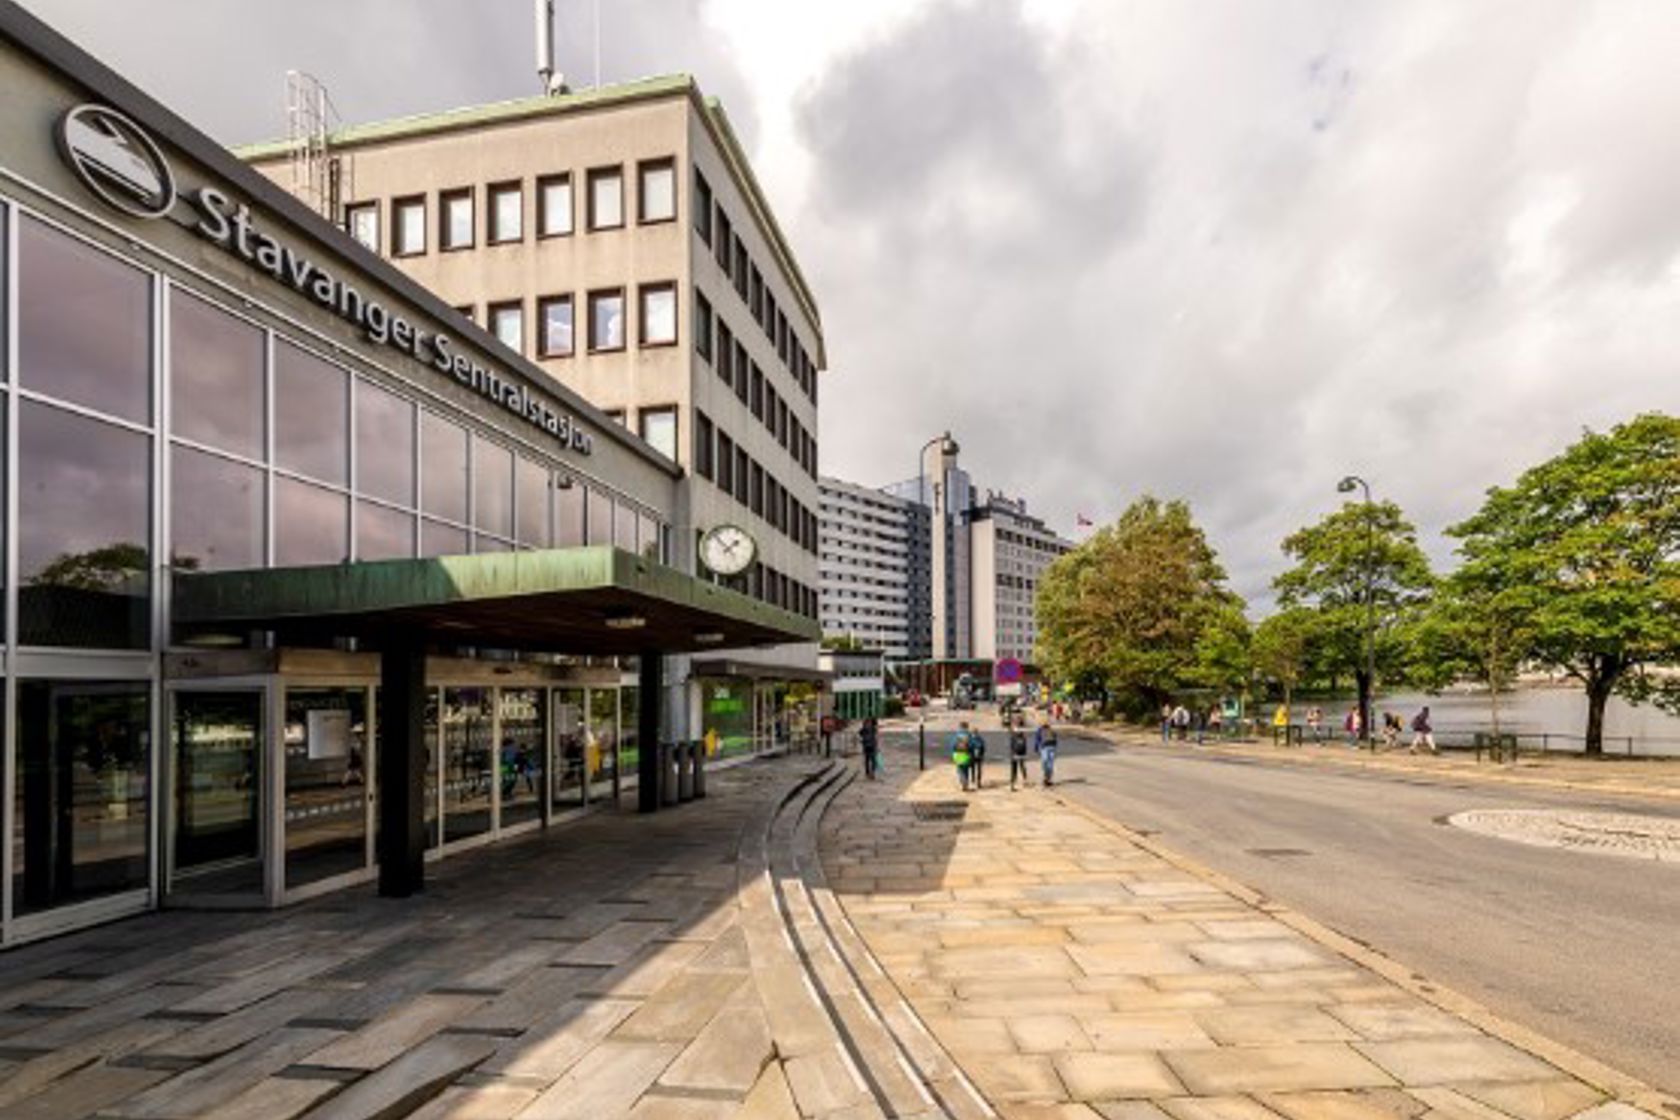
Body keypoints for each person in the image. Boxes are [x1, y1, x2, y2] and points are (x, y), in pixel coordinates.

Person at [949, 720, 975, 791]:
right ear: (967, 727)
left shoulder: (957, 735)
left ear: (960, 727)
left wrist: (952, 753)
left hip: (957, 754)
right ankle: (965, 783)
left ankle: (963, 782)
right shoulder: (969, 735)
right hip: (966, 754)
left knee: (960, 769)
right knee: (966, 769)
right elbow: (972, 745)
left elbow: (953, 745)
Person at [1034, 719, 1058, 786]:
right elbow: (1055, 739)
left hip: (1046, 747)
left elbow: (1037, 739)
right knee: (1048, 763)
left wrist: (1036, 748)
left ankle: (1047, 778)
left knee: (1047, 763)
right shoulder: (1049, 730)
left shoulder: (1041, 730)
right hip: (1049, 747)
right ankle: (1047, 778)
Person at [1008, 717, 1030, 790]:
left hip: (1016, 753)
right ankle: (1023, 781)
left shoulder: (1014, 733)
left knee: (1016, 768)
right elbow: (1024, 744)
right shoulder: (1021, 734)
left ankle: (1014, 783)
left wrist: (1012, 753)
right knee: (1021, 766)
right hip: (1019, 752)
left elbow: (1012, 744)